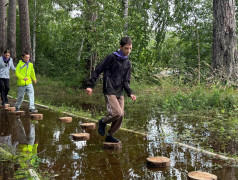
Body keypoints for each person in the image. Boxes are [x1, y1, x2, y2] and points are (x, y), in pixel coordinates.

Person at [86, 36, 136, 143]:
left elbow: (126, 81)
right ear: (121, 47)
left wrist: (130, 93)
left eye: (130, 48)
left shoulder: (128, 63)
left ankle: (110, 134)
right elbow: (98, 69)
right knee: (116, 112)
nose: (128, 51)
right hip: (109, 88)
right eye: (126, 48)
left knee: (121, 115)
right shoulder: (112, 57)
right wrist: (90, 85)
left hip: (119, 90)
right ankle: (103, 122)